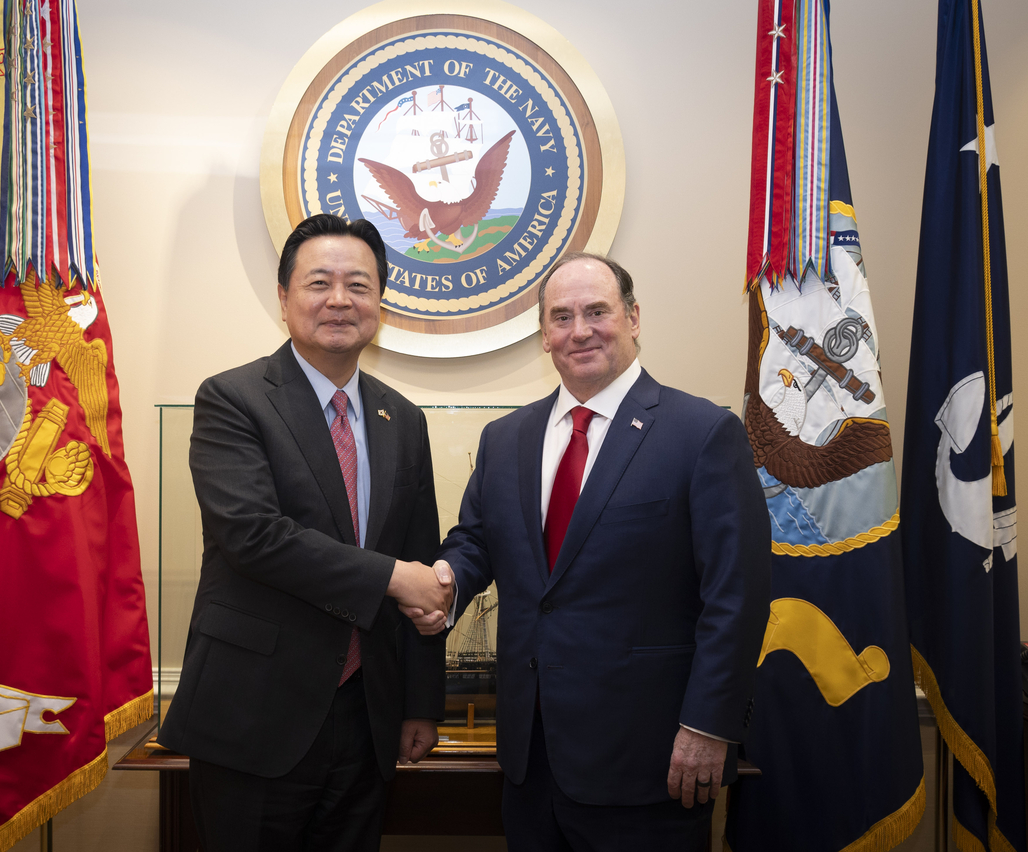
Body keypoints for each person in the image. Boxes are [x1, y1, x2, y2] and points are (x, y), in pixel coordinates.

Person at [406, 252, 770, 851]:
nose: (580, 330)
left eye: (597, 311)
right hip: (531, 757)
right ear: (544, 336)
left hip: (651, 760)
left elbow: (738, 593)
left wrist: (708, 725)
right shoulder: (506, 439)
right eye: (562, 316)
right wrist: (444, 581)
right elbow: (476, 540)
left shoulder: (701, 433)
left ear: (632, 317)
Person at [156, 213, 452, 852]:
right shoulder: (232, 399)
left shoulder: (402, 417)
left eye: (359, 285)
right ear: (284, 298)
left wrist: (421, 703)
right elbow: (253, 535)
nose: (340, 300)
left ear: (381, 302)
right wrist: (394, 578)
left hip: (366, 717)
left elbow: (421, 558)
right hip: (252, 716)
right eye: (320, 282)